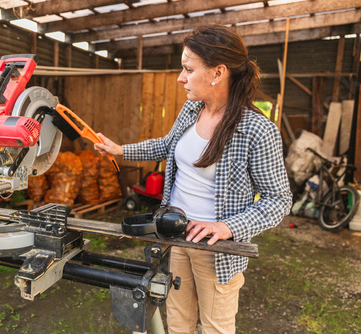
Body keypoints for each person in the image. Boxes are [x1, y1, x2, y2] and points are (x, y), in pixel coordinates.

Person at [94, 25, 292, 334]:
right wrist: (120, 150)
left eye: (188, 69)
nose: (180, 77)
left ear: (218, 72)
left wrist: (226, 227)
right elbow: (166, 144)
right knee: (178, 322)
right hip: (175, 237)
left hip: (215, 249)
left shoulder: (257, 130)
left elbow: (278, 200)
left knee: (215, 327)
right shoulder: (191, 109)